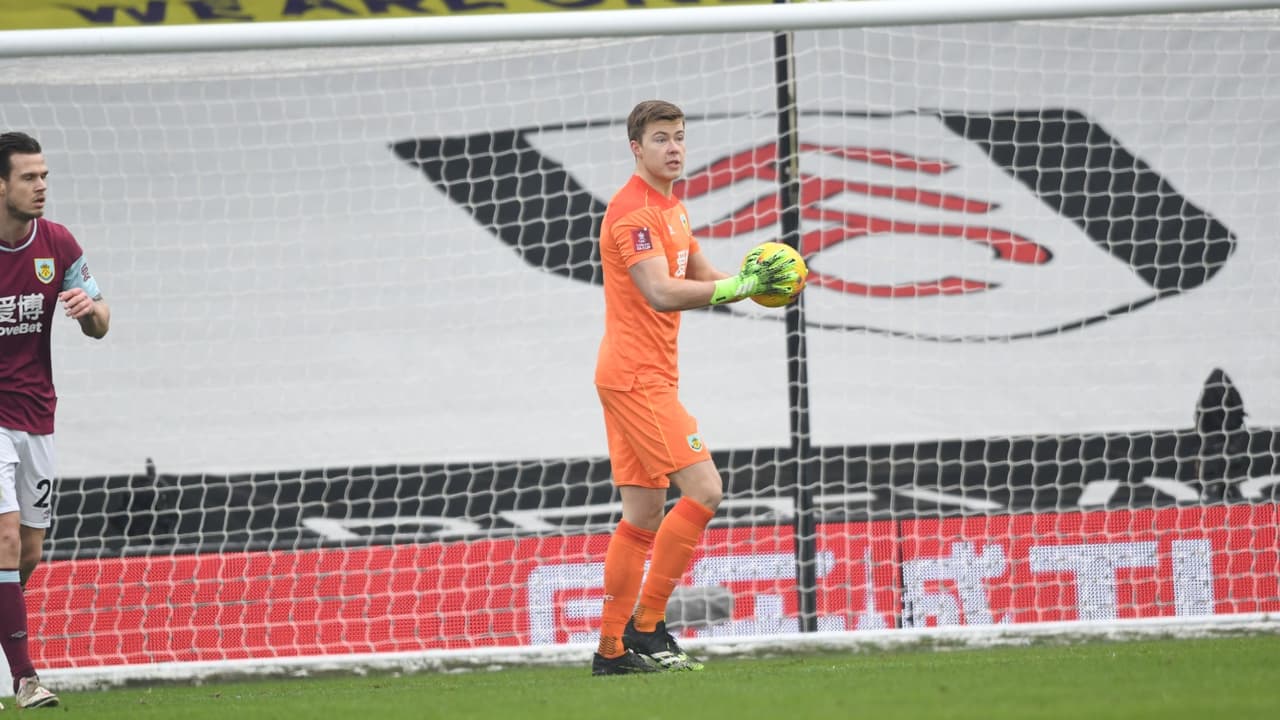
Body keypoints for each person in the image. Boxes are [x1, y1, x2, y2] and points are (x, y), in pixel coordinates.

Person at [591, 101, 802, 676]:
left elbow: (707, 278)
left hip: (637, 375)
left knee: (641, 516)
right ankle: (648, 625)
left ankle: (611, 653)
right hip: (637, 378)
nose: (675, 148)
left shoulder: (673, 209)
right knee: (705, 490)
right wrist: (740, 285)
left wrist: (764, 281)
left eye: (680, 137)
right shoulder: (632, 213)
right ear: (637, 148)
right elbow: (661, 291)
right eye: (661, 139)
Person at [0, 131, 111, 708]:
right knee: (6, 534)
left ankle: (6, 644)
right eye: (28, 177)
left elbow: (103, 320)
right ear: (0, 185)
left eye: (44, 176)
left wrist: (89, 311)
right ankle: (24, 677)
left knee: (29, 553)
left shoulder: (58, 244)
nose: (41, 186)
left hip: (36, 414)